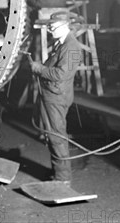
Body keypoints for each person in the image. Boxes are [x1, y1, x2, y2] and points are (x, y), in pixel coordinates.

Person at [29, 15, 82, 184]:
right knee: (51, 135)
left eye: (54, 27)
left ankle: (63, 178)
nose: (51, 30)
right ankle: (57, 174)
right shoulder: (62, 43)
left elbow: (62, 74)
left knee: (56, 136)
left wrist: (39, 69)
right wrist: (42, 67)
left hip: (57, 97)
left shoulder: (72, 48)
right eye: (50, 27)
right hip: (52, 94)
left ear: (65, 26)